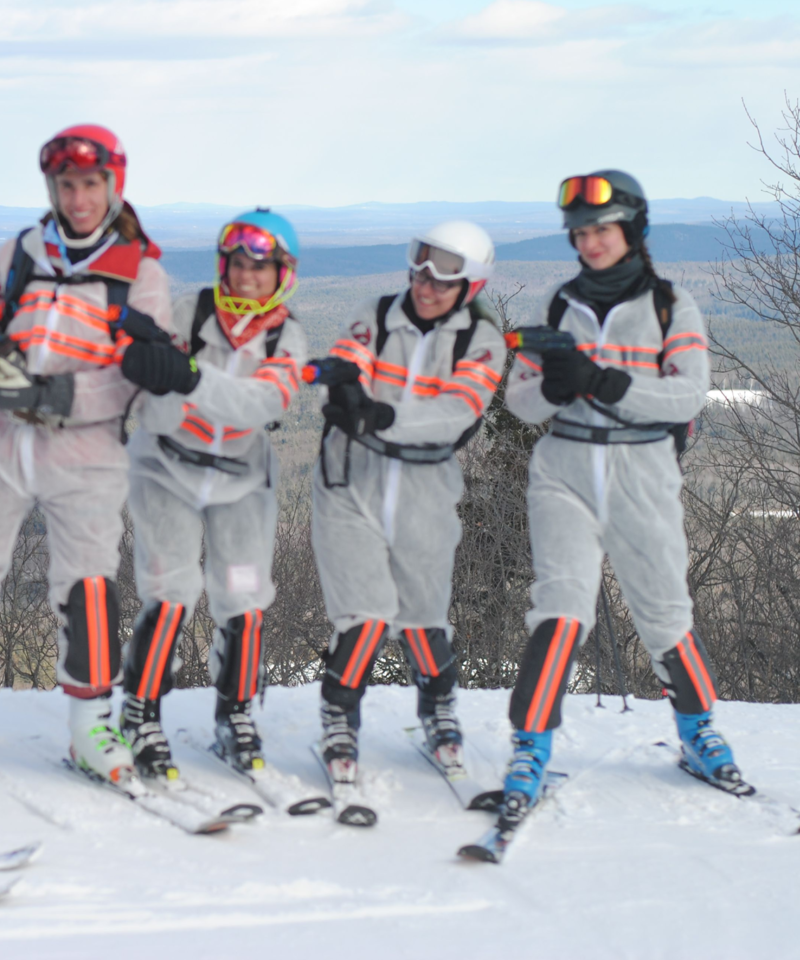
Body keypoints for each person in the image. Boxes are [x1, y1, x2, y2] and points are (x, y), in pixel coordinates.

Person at [0, 124, 186, 784]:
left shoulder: (140, 272)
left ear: (113, 186)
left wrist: (55, 393)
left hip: (85, 451)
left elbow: (138, 372)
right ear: (51, 187)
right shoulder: (22, 251)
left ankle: (91, 724)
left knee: (86, 581)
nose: (79, 198)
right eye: (67, 185)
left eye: (90, 184)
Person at [500, 170, 742, 816]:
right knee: (561, 608)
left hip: (643, 471)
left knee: (665, 612)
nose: (590, 242)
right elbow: (519, 401)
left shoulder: (669, 305)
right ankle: (531, 746)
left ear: (632, 229)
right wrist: (550, 388)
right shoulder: (559, 304)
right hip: (565, 469)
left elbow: (688, 393)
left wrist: (602, 382)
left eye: (602, 229)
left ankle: (697, 732)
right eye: (580, 232)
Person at [309, 221, 504, 789]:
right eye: (420, 267)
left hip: (425, 486)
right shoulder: (377, 313)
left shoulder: (480, 341)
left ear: (468, 286)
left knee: (421, 614)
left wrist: (386, 414)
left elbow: (459, 409)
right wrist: (346, 388)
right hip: (352, 479)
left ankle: (437, 707)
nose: (425, 283)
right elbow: (352, 359)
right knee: (363, 615)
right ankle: (339, 717)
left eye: (443, 277)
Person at [119, 209, 306, 780]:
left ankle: (237, 707)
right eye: (238, 264)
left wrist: (190, 376)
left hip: (241, 480)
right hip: (166, 469)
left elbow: (263, 404)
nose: (247, 276)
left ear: (282, 274)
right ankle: (141, 707)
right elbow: (153, 399)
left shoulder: (286, 336)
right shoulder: (189, 313)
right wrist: (155, 375)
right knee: (171, 589)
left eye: (261, 266)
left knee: (243, 594)